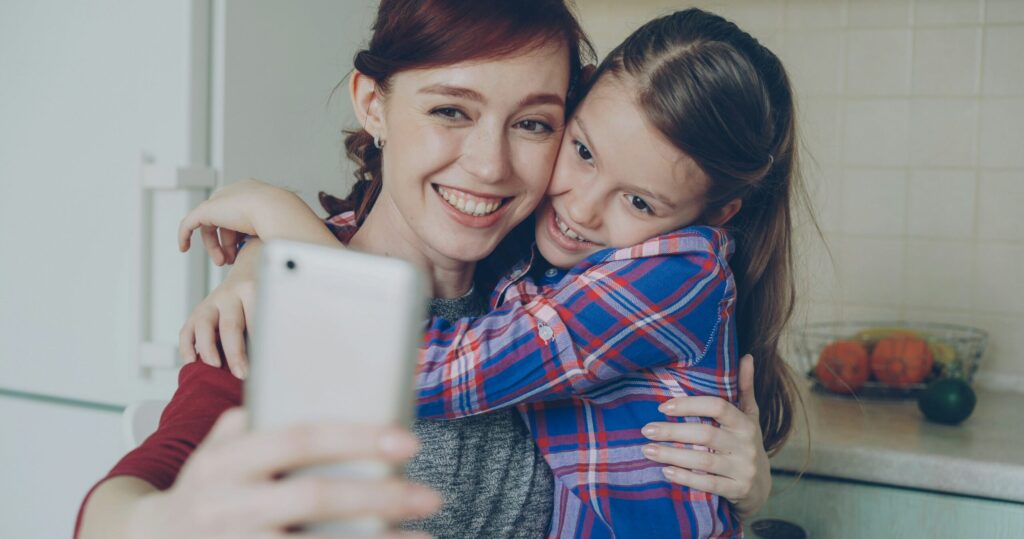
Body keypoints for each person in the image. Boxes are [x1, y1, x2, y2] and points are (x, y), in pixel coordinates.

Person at [75, 3, 775, 538]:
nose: (490, 165)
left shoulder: (553, 269)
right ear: (373, 104)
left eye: (532, 123)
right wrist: (158, 525)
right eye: (450, 110)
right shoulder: (274, 296)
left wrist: (747, 487)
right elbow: (130, 496)